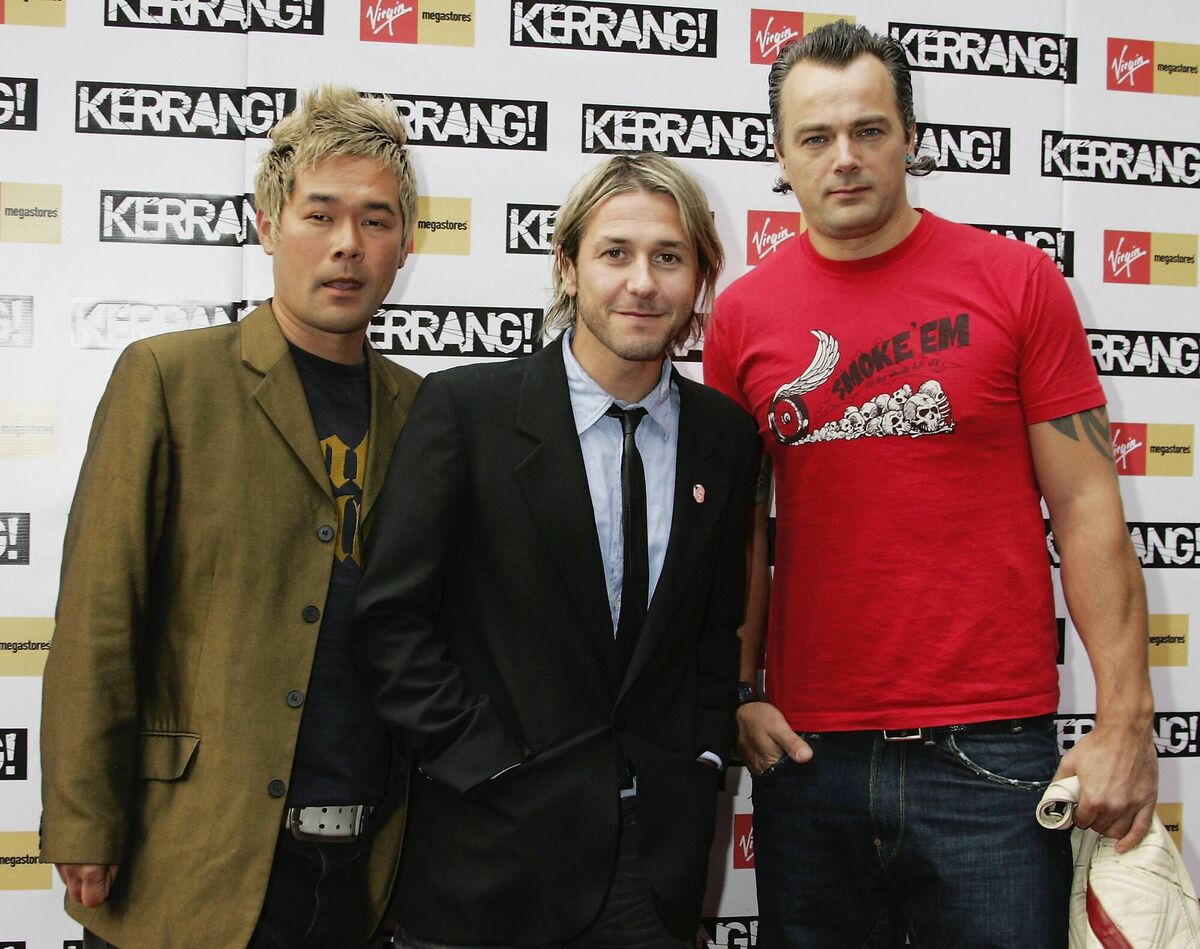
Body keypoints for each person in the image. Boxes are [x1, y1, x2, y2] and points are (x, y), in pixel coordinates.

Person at [702, 20, 1158, 947]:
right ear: (780, 156)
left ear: (912, 135)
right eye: (816, 138)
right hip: (808, 753)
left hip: (990, 753)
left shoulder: (1017, 282)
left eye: (870, 130)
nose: (846, 159)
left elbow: (1086, 507)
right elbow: (739, 536)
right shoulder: (744, 315)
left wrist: (1126, 721)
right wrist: (736, 691)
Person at [39, 85, 422, 948]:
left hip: (364, 870)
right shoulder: (170, 379)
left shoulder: (425, 411)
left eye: (374, 220)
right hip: (193, 855)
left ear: (404, 245)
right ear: (265, 225)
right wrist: (82, 820)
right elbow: (101, 613)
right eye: (319, 215)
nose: (346, 246)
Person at [353, 153, 760, 947]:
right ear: (568, 267)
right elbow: (390, 623)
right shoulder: (466, 412)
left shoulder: (726, 436)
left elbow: (714, 628)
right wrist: (489, 764)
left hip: (653, 872)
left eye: (668, 257)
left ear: (700, 280)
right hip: (487, 861)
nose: (642, 282)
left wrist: (704, 755)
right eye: (615, 253)